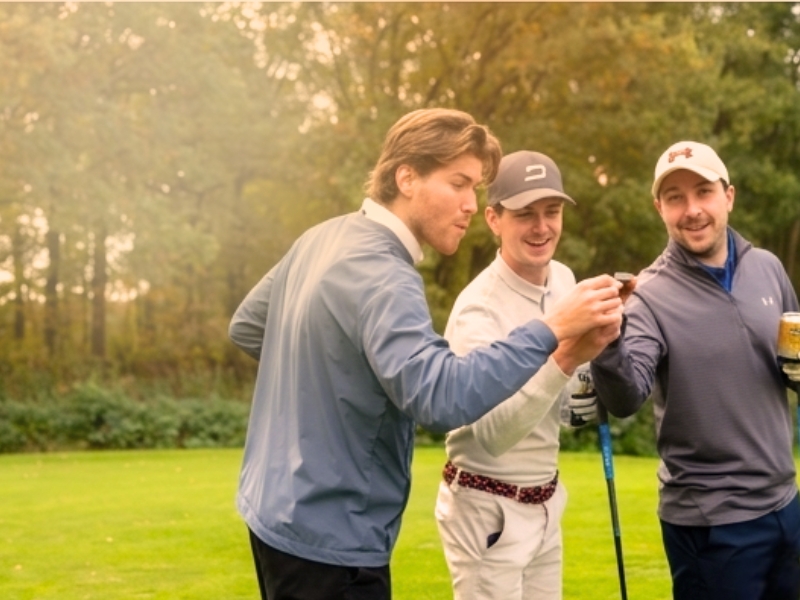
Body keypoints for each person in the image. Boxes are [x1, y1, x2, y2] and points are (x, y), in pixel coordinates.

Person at [228, 108, 624, 600]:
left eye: (475, 190)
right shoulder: (386, 274)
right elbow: (441, 397)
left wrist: (333, 386)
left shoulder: (323, 236)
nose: (469, 206)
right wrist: (552, 330)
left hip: (272, 513)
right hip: (335, 540)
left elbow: (248, 327)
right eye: (458, 184)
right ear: (406, 177)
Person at [590, 140, 800, 600]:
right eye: (675, 198)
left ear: (728, 195)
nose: (692, 210)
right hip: (711, 524)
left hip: (785, 504)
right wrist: (606, 342)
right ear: (659, 208)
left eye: (703, 191)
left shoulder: (767, 268)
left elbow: (792, 365)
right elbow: (626, 398)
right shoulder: (647, 294)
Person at [434, 150, 609, 600]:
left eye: (551, 212)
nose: (542, 227)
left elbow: (567, 408)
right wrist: (568, 357)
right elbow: (492, 435)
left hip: (545, 499)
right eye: (525, 214)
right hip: (484, 510)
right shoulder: (478, 309)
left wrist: (593, 376)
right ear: (493, 219)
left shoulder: (565, 281)